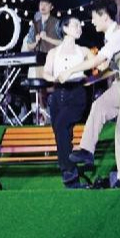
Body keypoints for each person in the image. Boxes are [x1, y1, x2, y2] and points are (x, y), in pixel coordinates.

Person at [57, 0, 120, 189]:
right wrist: (90, 79)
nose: (92, 21)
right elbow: (110, 68)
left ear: (104, 17)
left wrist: (70, 71)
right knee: (99, 106)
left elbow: (97, 60)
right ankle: (86, 150)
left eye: (94, 17)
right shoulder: (110, 38)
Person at [43, 16, 92, 188]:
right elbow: (46, 73)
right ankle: (71, 178)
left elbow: (98, 64)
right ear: (65, 28)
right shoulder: (53, 53)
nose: (79, 28)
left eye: (80, 25)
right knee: (60, 131)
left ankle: (68, 171)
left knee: (61, 124)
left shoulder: (83, 51)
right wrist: (55, 78)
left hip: (77, 93)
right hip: (58, 94)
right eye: (75, 25)